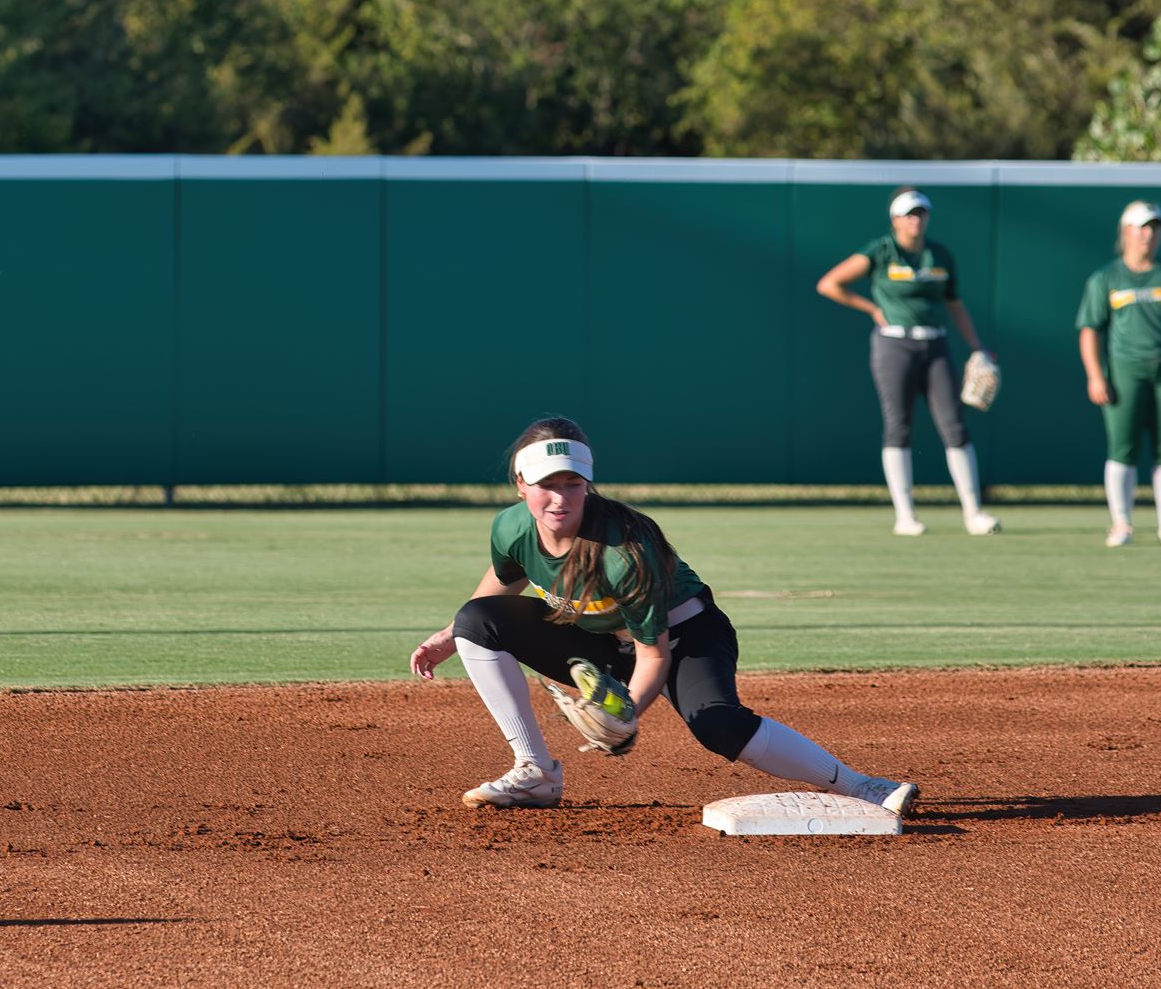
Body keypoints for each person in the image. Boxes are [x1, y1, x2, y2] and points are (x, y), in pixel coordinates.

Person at [408, 416, 919, 813]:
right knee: (476, 620)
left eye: (572, 483)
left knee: (718, 726)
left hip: (683, 638)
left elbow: (653, 653)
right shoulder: (511, 527)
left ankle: (863, 786)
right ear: (520, 483)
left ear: (589, 483)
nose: (559, 497)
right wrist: (450, 635)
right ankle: (535, 771)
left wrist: (624, 715)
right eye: (546, 483)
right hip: (597, 637)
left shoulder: (623, 550)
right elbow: (503, 581)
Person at [816, 187, 999, 536]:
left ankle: (973, 513)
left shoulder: (939, 254)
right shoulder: (882, 251)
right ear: (895, 219)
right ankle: (905, 515)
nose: (916, 220)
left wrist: (977, 346)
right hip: (894, 344)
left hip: (935, 343)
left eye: (921, 213)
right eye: (909, 214)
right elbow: (829, 284)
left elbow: (954, 303)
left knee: (955, 425)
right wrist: (872, 309)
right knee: (898, 426)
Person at [1075, 200, 1161, 548]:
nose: (1149, 233)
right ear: (1126, 232)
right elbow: (1090, 330)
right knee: (1122, 449)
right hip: (1124, 371)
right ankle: (1121, 524)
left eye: (1155, 227)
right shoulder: (1106, 278)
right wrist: (1095, 376)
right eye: (1142, 226)